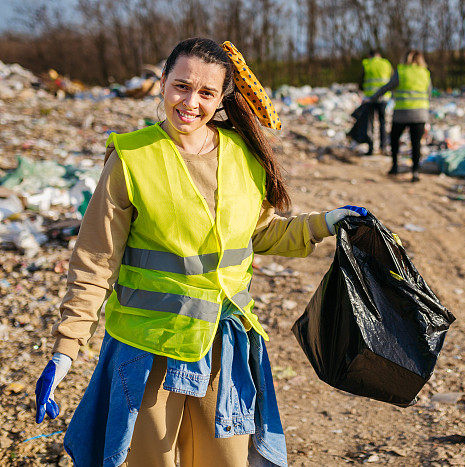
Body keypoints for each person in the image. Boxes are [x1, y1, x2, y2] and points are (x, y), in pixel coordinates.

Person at [33, 37, 367, 467]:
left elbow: (261, 233)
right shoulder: (131, 158)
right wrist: (65, 350)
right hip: (146, 350)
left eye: (207, 92)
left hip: (223, 346)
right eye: (182, 86)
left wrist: (325, 223)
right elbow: (95, 262)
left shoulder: (242, 156)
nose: (191, 102)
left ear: (222, 97)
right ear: (162, 84)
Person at [369, 50, 431, 182]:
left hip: (402, 113)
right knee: (416, 144)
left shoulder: (401, 71)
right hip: (420, 114)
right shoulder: (425, 72)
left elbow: (387, 87)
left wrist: (373, 97)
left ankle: (395, 166)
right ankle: (415, 172)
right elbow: (429, 93)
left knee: (394, 139)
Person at [359, 49, 393, 155]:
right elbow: (392, 80)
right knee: (383, 122)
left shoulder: (367, 64)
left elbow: (361, 80)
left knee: (371, 123)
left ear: (370, 55)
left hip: (370, 98)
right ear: (379, 55)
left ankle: (371, 148)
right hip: (383, 98)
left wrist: (363, 91)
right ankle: (384, 147)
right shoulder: (386, 64)